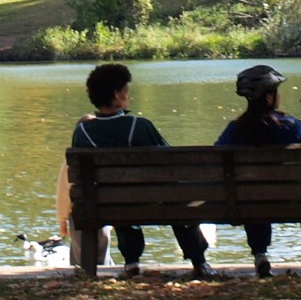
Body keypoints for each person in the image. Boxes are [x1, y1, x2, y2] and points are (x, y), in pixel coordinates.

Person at [66, 63, 216, 279]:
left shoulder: (82, 132)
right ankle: (199, 262)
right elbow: (170, 162)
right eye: (126, 91)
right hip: (152, 201)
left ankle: (131, 262)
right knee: (179, 198)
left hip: (107, 204)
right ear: (116, 95)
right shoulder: (139, 125)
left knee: (120, 198)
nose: (129, 96)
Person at [216, 63, 301, 278]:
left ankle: (260, 254)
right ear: (269, 98)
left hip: (249, 202)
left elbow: (216, 154)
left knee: (252, 195)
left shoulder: (236, 129)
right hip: (295, 201)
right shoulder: (289, 126)